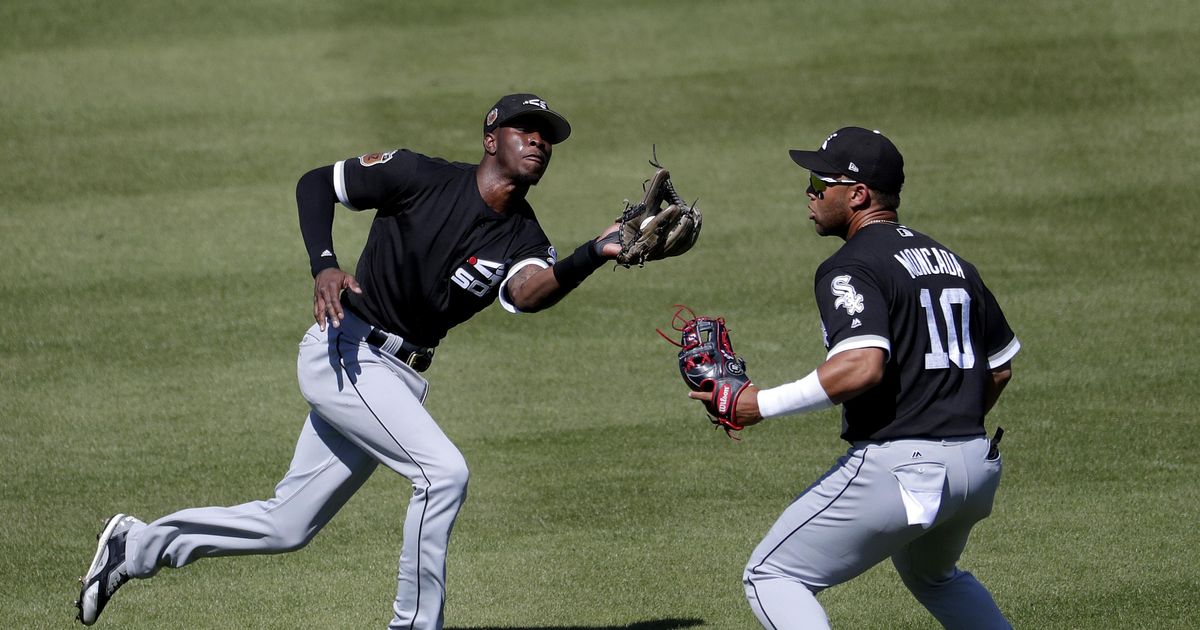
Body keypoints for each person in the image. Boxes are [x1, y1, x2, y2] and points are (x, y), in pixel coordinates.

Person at [76, 93, 627, 628]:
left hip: (398, 377)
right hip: (348, 351)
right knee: (443, 475)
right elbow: (316, 182)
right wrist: (324, 266)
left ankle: (136, 544)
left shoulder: (525, 235)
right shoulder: (417, 175)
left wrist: (594, 253)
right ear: (490, 139)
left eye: (547, 136)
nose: (538, 141)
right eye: (524, 129)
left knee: (287, 525)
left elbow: (528, 292)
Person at [690, 127, 1020, 629]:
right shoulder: (954, 263)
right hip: (976, 464)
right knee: (935, 577)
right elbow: (1000, 366)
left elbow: (861, 366)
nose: (809, 194)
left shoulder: (851, 265)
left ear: (858, 194)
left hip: (906, 468)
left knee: (772, 574)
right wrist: (948, 431)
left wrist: (759, 404)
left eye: (819, 183)